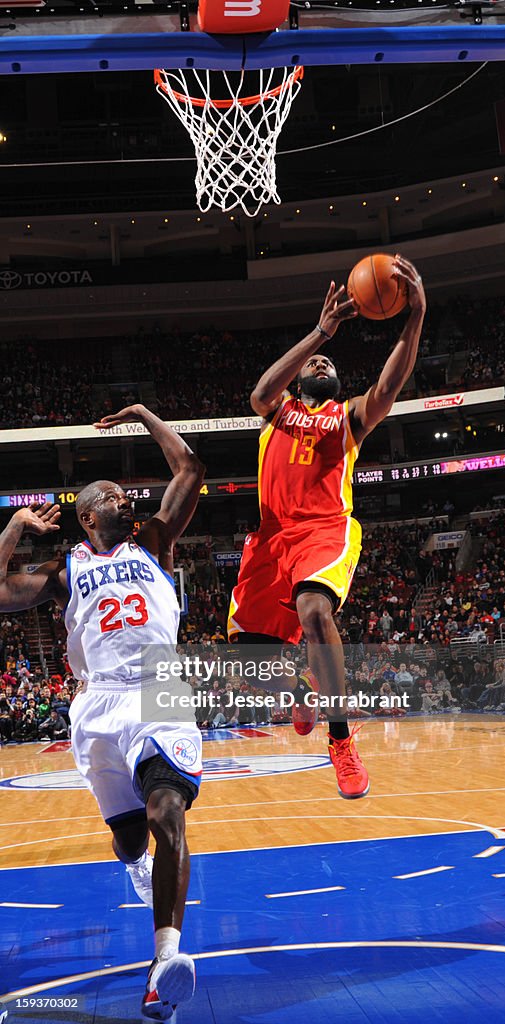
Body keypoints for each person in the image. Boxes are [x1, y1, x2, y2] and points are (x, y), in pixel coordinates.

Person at [0, 403, 205, 1023]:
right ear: (88, 516)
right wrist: (12, 530)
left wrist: (145, 413)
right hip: (95, 704)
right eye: (113, 496)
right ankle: (138, 864)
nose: (127, 498)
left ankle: (164, 958)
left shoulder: (156, 542)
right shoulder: (64, 571)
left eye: (126, 492)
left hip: (156, 686)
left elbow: (191, 469)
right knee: (126, 837)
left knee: (166, 809)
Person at [228, 256, 426, 798]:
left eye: (327, 360)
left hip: (323, 529)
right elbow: (260, 394)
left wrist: (415, 316)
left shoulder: (349, 416)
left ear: (337, 382)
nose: (320, 361)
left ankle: (339, 740)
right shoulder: (280, 411)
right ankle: (296, 689)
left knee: (315, 611)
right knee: (255, 667)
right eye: (314, 359)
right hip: (270, 539)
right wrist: (320, 331)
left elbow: (389, 384)